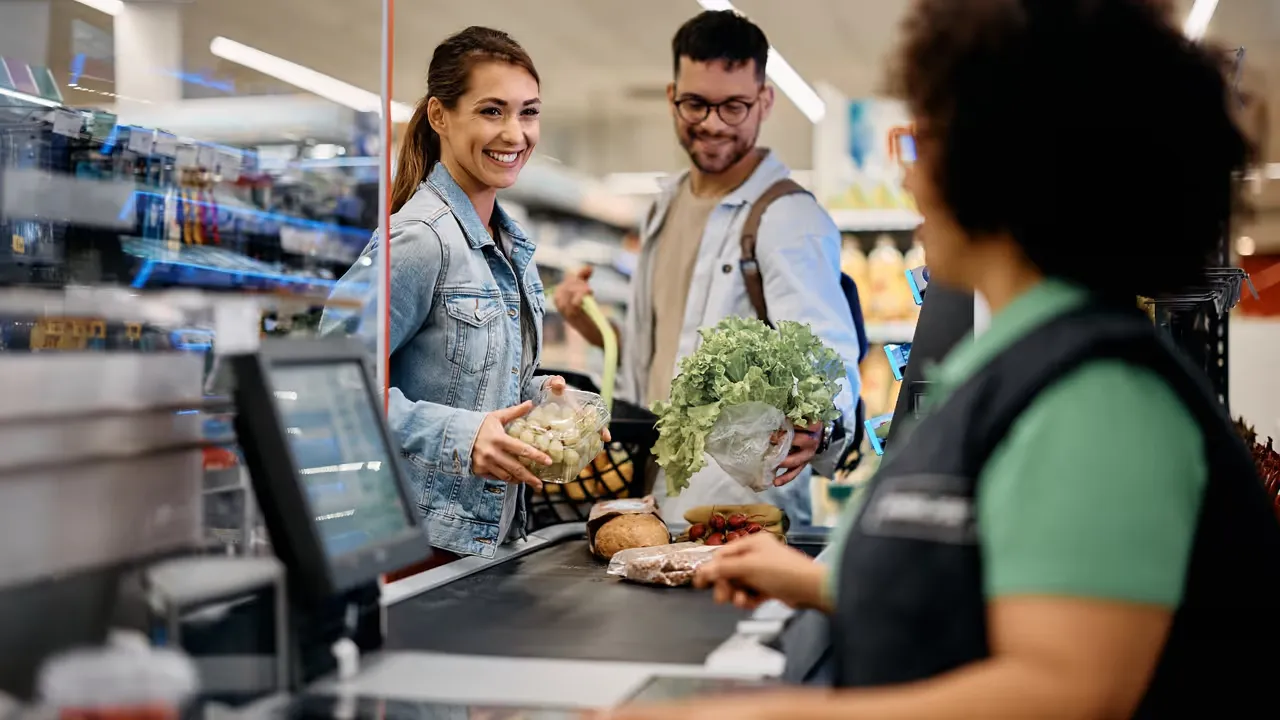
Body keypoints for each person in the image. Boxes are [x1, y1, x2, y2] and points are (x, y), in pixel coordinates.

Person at [596, 1, 1280, 718]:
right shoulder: (1023, 363)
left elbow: (1068, 691)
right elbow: (989, 577)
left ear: (1010, 170)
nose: (909, 177)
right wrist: (817, 582)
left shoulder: (1098, 395)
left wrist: (759, 713)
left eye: (927, 142)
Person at [554, 10, 862, 525]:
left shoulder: (787, 217)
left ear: (764, 101)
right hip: (650, 496)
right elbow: (669, 360)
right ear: (672, 96)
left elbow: (827, 356)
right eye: (695, 104)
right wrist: (597, 329)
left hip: (740, 510)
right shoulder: (666, 204)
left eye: (734, 106)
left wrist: (821, 426)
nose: (713, 123)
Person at [321, 26, 598, 563]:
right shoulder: (420, 239)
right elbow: (332, 388)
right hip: (416, 546)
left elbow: (459, 384)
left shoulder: (508, 244)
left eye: (528, 112)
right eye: (492, 111)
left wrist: (546, 405)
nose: (515, 134)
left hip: (483, 544)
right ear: (439, 116)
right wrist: (464, 437)